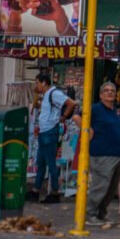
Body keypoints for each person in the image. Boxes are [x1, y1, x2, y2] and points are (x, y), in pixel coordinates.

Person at [84, 81, 120, 224]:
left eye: (113, 91)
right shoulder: (96, 109)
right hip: (103, 153)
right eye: (107, 90)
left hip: (118, 154)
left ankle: (101, 213)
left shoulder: (113, 111)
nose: (110, 92)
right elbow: (77, 117)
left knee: (111, 188)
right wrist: (88, 130)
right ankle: (90, 214)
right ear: (101, 95)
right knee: (100, 185)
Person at [28, 73, 75, 204]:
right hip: (44, 132)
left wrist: (63, 117)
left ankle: (54, 192)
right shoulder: (46, 94)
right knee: (41, 163)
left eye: (37, 82)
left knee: (50, 163)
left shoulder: (54, 93)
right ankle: (36, 190)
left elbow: (71, 103)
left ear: (44, 82)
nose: (36, 85)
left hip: (49, 132)